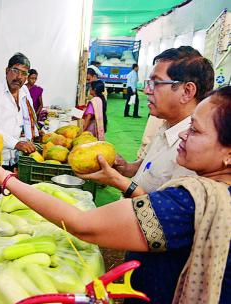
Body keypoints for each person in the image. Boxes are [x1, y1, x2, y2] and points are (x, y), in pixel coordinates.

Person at [0, 86, 231, 304]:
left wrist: (4, 179)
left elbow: (83, 224)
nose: (184, 135)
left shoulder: (190, 203)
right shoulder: (216, 194)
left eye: (195, 130)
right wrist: (117, 179)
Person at [84, 46, 214, 195]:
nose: (146, 90)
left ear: (187, 91)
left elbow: (167, 213)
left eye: (156, 83)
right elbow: (148, 166)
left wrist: (118, 181)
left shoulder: (193, 150)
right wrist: (127, 168)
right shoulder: (167, 126)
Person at [0, 52, 38, 206]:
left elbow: (27, 119)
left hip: (16, 159)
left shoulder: (24, 91)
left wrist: (33, 133)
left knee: (11, 203)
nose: (18, 77)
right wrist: (16, 144)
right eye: (15, 70)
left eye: (24, 73)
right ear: (6, 70)